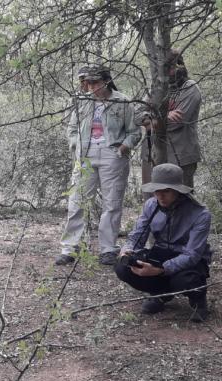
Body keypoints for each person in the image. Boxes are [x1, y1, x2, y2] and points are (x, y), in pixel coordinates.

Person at [57, 65, 141, 266]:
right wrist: (75, 145)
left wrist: (123, 148)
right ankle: (70, 248)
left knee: (112, 203)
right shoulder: (81, 101)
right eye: (88, 82)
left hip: (112, 155)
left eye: (95, 82)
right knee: (77, 200)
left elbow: (134, 131)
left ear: (106, 81)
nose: (91, 86)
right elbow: (72, 127)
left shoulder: (122, 101)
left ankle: (108, 249)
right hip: (85, 155)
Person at [115, 163, 212, 322]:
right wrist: (127, 250)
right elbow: (137, 236)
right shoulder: (151, 205)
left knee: (185, 280)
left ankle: (198, 300)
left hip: (187, 259)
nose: (160, 195)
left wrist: (160, 270)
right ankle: (161, 295)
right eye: (156, 190)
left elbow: (192, 255)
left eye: (166, 191)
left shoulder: (200, 214)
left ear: (178, 191)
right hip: (159, 253)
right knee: (122, 267)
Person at [141, 50, 203, 189]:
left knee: (180, 202)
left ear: (180, 66)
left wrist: (151, 119)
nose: (168, 72)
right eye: (163, 68)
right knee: (152, 200)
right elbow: (137, 116)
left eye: (171, 67)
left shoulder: (190, 88)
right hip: (152, 153)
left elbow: (176, 123)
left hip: (180, 155)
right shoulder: (156, 88)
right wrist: (164, 116)